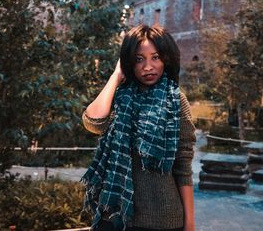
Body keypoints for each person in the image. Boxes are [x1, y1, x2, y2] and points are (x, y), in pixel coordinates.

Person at [81, 25, 196, 231]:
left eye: (155, 57)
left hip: (163, 219)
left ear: (166, 59)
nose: (148, 67)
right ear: (128, 62)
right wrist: (116, 76)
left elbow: (183, 165)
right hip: (115, 216)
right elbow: (93, 122)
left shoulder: (176, 100)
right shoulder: (119, 97)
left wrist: (190, 223)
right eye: (139, 59)